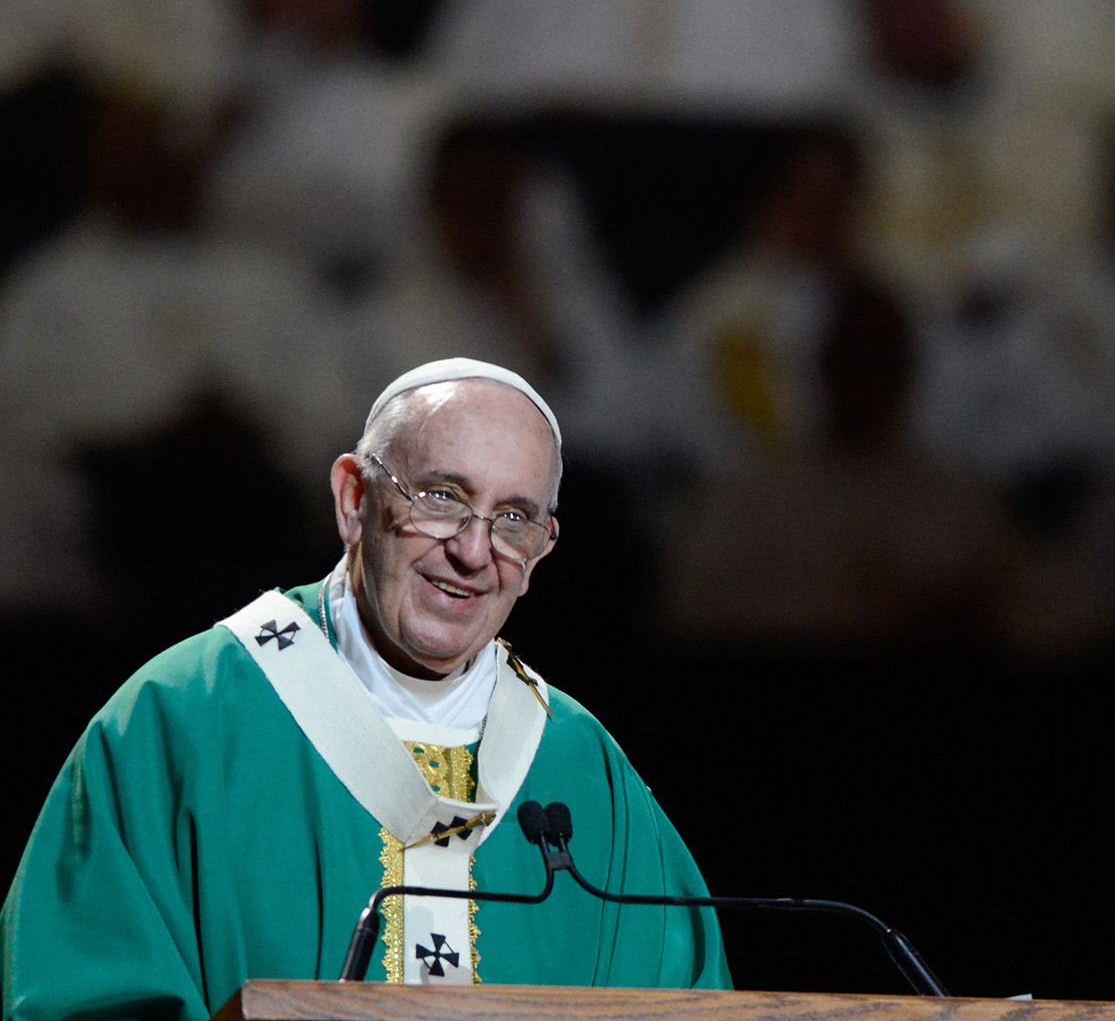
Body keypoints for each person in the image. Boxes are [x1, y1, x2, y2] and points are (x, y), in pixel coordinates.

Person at [1, 358, 730, 1015]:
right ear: (353, 500)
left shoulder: (583, 768)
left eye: (514, 519)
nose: (474, 553)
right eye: (443, 497)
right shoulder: (182, 720)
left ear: (542, 552)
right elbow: (82, 993)